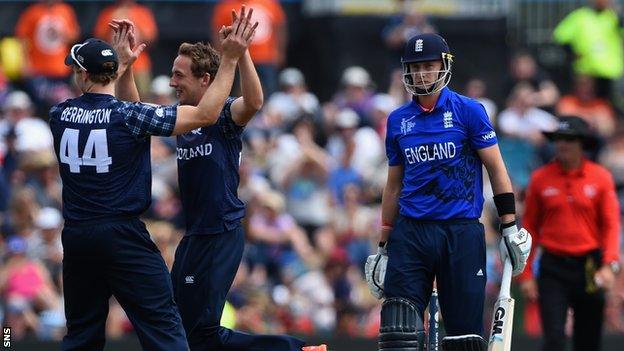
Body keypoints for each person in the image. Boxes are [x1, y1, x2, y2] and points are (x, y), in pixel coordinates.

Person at [112, 9, 325, 351]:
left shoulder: (224, 114)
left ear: (205, 80)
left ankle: (296, 349)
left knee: (202, 333)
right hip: (195, 235)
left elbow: (254, 101)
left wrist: (242, 54)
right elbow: (132, 110)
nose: (172, 83)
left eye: (179, 76)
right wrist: (127, 66)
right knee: (184, 329)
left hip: (220, 232)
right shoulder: (182, 117)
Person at [48, 11, 253, 350]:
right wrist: (229, 59)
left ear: (83, 75)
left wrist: (121, 66)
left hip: (77, 233)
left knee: (81, 332)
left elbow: (103, 101)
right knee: (164, 325)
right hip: (122, 234)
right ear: (109, 72)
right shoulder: (129, 116)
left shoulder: (59, 114)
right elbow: (204, 115)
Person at [364, 33, 532, 351]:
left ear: (444, 66)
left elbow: (496, 169)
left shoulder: (469, 111)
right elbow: (394, 185)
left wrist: (509, 227)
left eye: (428, 65)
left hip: (461, 232)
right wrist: (384, 244)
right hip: (411, 233)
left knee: (463, 340)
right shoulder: (398, 121)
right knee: (398, 332)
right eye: (414, 67)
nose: (421, 74)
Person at [519, 116, 621, 351]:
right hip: (553, 267)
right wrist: (525, 274)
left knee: (588, 340)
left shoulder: (601, 177)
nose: (563, 144)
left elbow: (611, 225)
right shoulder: (540, 179)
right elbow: (530, 228)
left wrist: (609, 265)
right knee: (554, 339)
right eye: (559, 139)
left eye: (570, 139)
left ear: (582, 144)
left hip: (589, 267)